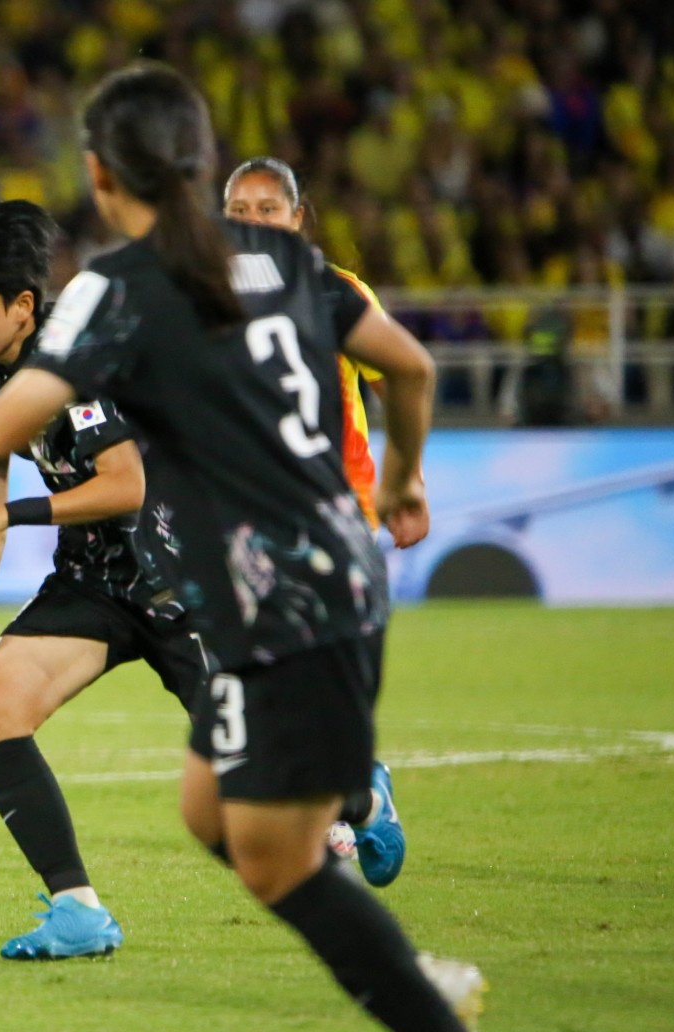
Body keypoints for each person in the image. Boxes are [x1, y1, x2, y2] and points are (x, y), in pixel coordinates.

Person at [0, 64, 512, 1032]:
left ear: (102, 176)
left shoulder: (117, 290)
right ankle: (95, 905)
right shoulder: (283, 263)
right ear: (199, 161)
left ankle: (442, 1031)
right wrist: (405, 483)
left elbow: (47, 450)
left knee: (271, 840)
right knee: (200, 808)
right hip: (281, 569)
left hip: (229, 584)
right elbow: (410, 366)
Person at [0, 200, 207, 959]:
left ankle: (357, 790)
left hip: (187, 573)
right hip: (97, 579)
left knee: (256, 755)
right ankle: (78, 910)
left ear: (21, 308)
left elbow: (127, 485)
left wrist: (11, 515)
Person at [223, 157, 411, 887]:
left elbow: (399, 373)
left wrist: (409, 474)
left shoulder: (335, 291)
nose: (251, 222)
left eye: (267, 210)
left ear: (297, 219)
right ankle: (359, 791)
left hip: (339, 511)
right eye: (238, 209)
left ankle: (342, 809)